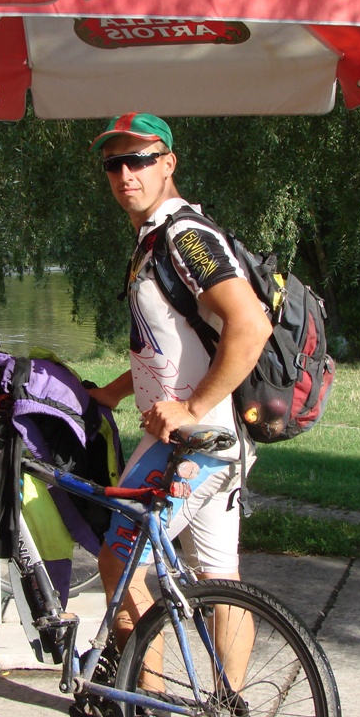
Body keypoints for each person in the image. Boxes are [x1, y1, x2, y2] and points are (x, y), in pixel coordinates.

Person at [84, 113, 272, 666]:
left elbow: (250, 325)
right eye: (114, 164)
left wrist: (191, 406)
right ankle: (226, 703)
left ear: (168, 163)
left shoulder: (186, 236)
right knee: (220, 580)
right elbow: (174, 345)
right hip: (217, 442)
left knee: (118, 564)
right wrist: (115, 392)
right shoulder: (154, 240)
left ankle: (147, 697)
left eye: (139, 160)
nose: (126, 174)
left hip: (189, 444)